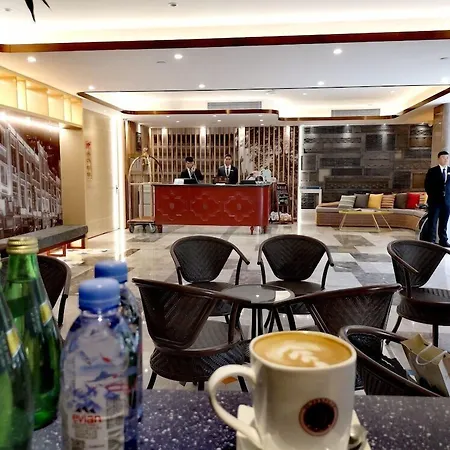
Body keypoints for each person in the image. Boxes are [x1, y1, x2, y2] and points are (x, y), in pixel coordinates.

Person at [424, 150, 450, 247]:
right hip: (435, 202)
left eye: (447, 158)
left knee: (444, 222)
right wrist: (432, 196)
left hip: (447, 202)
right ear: (439, 159)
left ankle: (443, 240)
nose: (445, 160)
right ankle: (432, 241)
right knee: (433, 222)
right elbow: (427, 186)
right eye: (443, 157)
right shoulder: (432, 171)